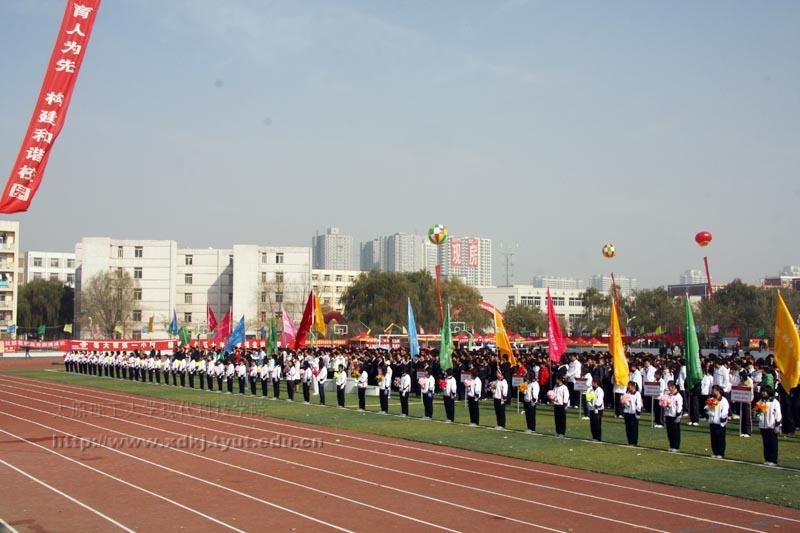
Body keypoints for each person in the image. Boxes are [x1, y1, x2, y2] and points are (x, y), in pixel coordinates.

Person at [757, 386, 782, 465]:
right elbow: (757, 414)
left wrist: (777, 425)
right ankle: (767, 458)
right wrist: (759, 413)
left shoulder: (774, 402)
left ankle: (773, 460)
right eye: (762, 391)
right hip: (763, 426)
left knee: (772, 444)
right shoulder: (761, 401)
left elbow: (778, 414)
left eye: (764, 391)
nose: (763, 393)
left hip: (771, 426)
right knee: (766, 443)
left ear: (769, 392)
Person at [706, 384, 729, 458]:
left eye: (714, 390)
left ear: (718, 391)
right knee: (713, 438)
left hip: (720, 422)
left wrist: (722, 420)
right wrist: (709, 408)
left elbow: (725, 411)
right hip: (712, 421)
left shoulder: (724, 400)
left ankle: (720, 453)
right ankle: (715, 452)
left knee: (720, 438)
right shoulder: (711, 399)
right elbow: (707, 408)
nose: (713, 392)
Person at [663, 380, 683, 452]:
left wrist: (678, 416)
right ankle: (671, 445)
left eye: (670, 386)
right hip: (668, 415)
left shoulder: (678, 396)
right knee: (669, 432)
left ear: (674, 386)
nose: (668, 388)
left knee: (675, 432)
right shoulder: (668, 395)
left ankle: (676, 446)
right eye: (668, 386)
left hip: (674, 416)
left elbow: (679, 407)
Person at [622, 381, 643, 446]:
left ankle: (634, 442)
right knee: (628, 428)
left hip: (634, 413)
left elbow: (639, 404)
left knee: (633, 428)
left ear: (633, 386)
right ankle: (629, 441)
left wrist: (638, 412)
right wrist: (624, 402)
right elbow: (623, 402)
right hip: (627, 412)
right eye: (628, 385)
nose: (629, 387)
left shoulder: (637, 394)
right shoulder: (627, 393)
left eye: (630, 386)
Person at [589, 377, 605, 442]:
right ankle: (594, 436)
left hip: (598, 409)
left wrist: (596, 405)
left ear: (596, 383)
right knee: (592, 423)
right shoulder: (591, 390)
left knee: (597, 423)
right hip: (592, 408)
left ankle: (598, 437)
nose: (592, 383)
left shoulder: (600, 390)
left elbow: (599, 399)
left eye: (593, 382)